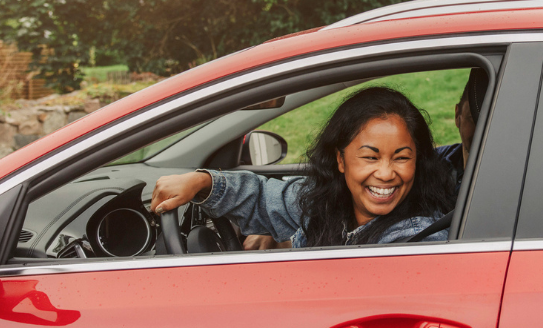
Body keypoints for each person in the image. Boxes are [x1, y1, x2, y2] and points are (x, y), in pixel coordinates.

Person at [150, 87, 455, 248]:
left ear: (418, 160)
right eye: (371, 157)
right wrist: (201, 182)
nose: (387, 173)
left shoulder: (415, 241)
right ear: (340, 159)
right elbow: (261, 198)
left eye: (402, 157)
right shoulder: (326, 204)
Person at [435, 67, 489, 184]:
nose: (482, 130)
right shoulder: (435, 162)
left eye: (490, 120)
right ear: (457, 116)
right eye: (472, 118)